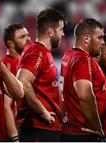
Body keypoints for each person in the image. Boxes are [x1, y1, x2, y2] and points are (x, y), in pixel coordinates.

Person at [16, 8, 65, 142]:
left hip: (46, 129)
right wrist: (43, 112)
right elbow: (22, 83)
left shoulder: (45, 53)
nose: (63, 34)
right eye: (61, 30)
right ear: (51, 31)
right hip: (38, 130)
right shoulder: (37, 52)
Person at [60, 18, 106, 142]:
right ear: (86, 38)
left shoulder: (68, 55)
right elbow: (85, 96)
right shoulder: (82, 59)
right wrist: (98, 128)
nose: (103, 42)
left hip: (71, 130)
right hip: (83, 133)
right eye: (100, 38)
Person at [2, 23, 31, 142]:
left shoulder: (25, 63)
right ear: (10, 43)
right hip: (18, 130)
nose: (28, 39)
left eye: (28, 35)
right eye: (22, 37)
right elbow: (6, 105)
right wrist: (14, 138)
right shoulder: (8, 65)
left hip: (26, 127)